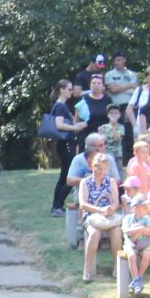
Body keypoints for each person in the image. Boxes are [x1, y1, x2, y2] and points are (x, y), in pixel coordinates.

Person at [77, 152, 121, 281]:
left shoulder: (111, 182)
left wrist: (110, 209)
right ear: (92, 166)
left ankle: (116, 266)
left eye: (103, 168)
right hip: (91, 216)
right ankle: (87, 268)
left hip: (108, 217)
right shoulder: (85, 182)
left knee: (116, 231)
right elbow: (83, 204)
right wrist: (100, 210)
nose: (100, 171)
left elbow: (116, 202)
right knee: (94, 232)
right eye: (97, 167)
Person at [48, 79, 87, 216]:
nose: (71, 92)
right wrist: (75, 127)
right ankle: (57, 206)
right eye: (69, 89)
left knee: (64, 176)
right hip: (65, 145)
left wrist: (77, 125)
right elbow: (59, 125)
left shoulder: (61, 105)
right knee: (70, 177)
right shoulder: (60, 106)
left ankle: (57, 206)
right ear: (62, 90)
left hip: (65, 144)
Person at [121, 196, 150, 296]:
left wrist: (138, 232)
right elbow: (126, 231)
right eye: (143, 206)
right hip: (130, 244)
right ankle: (136, 280)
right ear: (135, 208)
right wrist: (140, 229)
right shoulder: (128, 218)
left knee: (147, 254)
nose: (146, 208)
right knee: (131, 256)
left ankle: (138, 280)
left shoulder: (146, 218)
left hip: (144, 243)